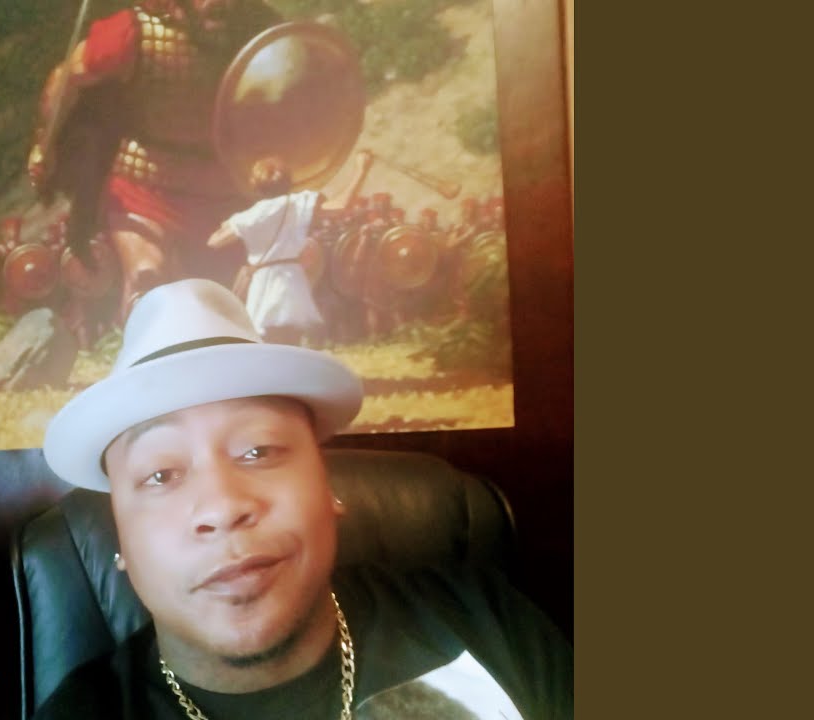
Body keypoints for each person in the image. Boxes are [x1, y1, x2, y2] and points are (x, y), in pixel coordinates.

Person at [39, 279, 573, 719]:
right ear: (122, 546)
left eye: (258, 450)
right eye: (160, 474)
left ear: (328, 488)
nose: (223, 507)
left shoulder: (486, 626)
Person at [28, 0, 283, 321]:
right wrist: (46, 143)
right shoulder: (131, 33)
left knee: (251, 290)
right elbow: (65, 79)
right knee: (147, 280)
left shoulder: (258, 26)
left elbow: (294, 91)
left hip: (230, 189)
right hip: (146, 187)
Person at [207, 150, 374, 345]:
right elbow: (340, 207)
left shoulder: (250, 216)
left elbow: (214, 242)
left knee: (266, 343)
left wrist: (228, 225)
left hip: (262, 284)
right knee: (290, 343)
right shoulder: (298, 204)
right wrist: (361, 170)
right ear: (288, 181)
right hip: (289, 281)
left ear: (256, 185)